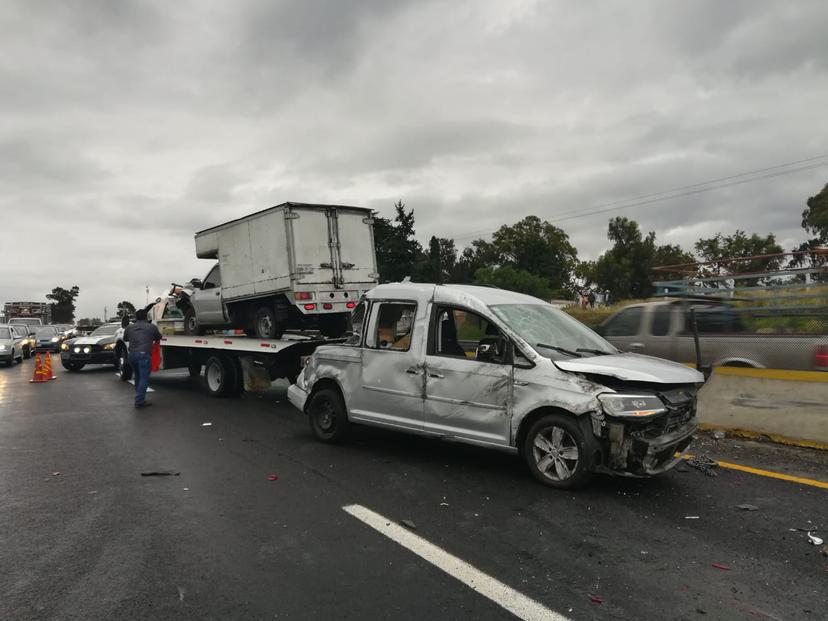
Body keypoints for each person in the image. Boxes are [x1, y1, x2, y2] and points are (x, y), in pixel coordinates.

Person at [123, 308, 162, 408]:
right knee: (144, 379)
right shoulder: (151, 327)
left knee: (138, 376)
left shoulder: (129, 327)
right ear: (146, 317)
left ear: (136, 317)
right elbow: (158, 337)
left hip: (132, 355)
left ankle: (140, 397)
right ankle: (139, 401)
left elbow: (125, 338)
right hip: (144, 355)